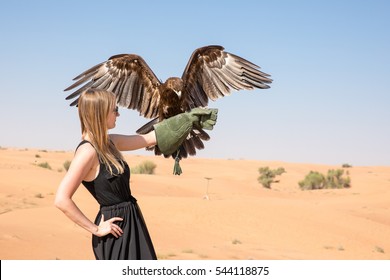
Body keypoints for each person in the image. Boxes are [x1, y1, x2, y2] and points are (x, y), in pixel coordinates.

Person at [54, 88, 217, 260]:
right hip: (115, 231)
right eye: (115, 110)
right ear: (101, 113)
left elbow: (149, 138)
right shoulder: (88, 151)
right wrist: (96, 229)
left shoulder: (110, 142)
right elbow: (61, 199)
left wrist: (188, 119)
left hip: (132, 221)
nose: (118, 114)